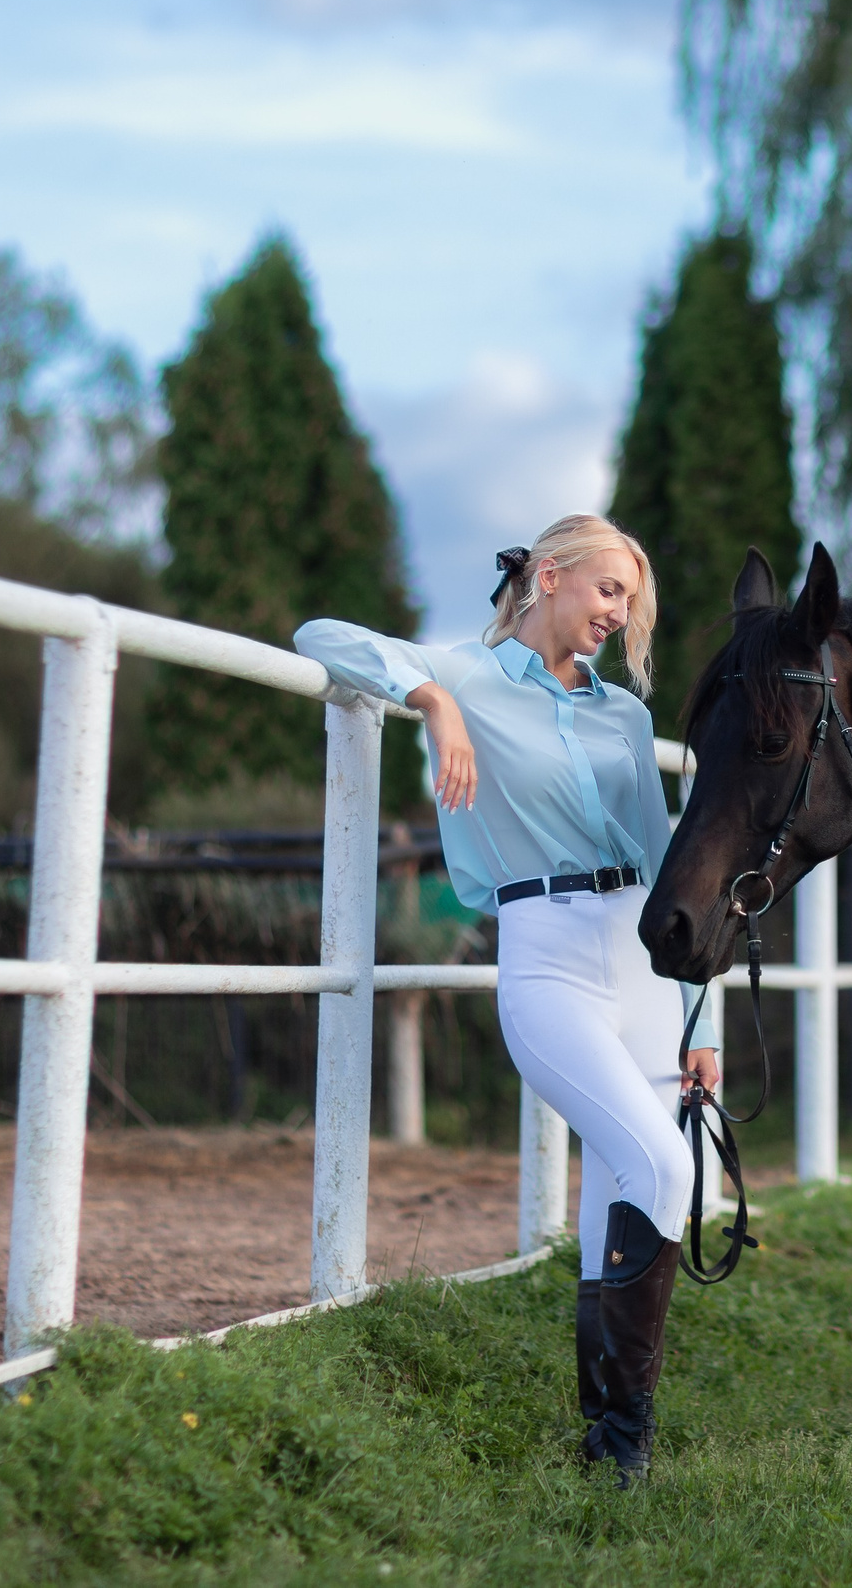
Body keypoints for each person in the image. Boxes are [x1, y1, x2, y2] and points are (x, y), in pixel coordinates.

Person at [295, 513, 713, 1486]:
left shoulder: (624, 717)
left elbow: (669, 880)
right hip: (547, 949)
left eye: (631, 601)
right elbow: (320, 636)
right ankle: (620, 1438)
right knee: (662, 1168)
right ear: (553, 577)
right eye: (609, 591)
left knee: (631, 1178)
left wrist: (702, 1023)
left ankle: (614, 1446)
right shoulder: (470, 675)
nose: (620, 613)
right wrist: (435, 700)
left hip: (642, 959)